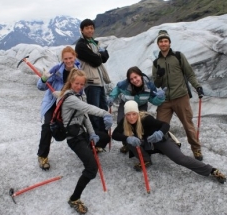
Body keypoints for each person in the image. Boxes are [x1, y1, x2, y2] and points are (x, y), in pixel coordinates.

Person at [112, 101, 226, 184]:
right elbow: (115, 135)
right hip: (144, 143)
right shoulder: (124, 122)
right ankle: (146, 160)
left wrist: (160, 133)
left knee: (180, 159)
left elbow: (165, 125)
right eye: (128, 114)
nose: (131, 117)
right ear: (125, 115)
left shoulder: (146, 119)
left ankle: (211, 170)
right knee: (130, 142)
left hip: (159, 141)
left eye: (134, 114)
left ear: (137, 113)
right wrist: (127, 138)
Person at [58, 68, 113, 214]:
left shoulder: (79, 95)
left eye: (82, 84)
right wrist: (105, 113)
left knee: (105, 137)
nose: (79, 87)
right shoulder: (70, 98)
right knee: (91, 169)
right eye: (77, 83)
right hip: (74, 138)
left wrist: (93, 133)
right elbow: (87, 108)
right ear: (71, 82)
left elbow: (84, 116)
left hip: (81, 134)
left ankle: (91, 148)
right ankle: (74, 198)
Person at [152, 30, 205, 161]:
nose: (163, 43)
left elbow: (190, 73)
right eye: (161, 41)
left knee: (188, 125)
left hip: (181, 96)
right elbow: (156, 83)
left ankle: (196, 149)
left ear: (169, 42)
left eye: (165, 41)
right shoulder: (156, 62)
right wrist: (159, 75)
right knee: (160, 125)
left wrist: (197, 86)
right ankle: (165, 147)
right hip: (165, 100)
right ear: (158, 44)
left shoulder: (178, 56)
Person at [36, 46, 80, 170]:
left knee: (75, 126)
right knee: (48, 126)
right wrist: (44, 79)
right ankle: (42, 155)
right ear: (62, 59)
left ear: (74, 57)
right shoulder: (56, 70)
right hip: (53, 102)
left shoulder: (79, 70)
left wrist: (65, 94)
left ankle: (84, 150)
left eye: (70, 58)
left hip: (68, 103)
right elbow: (41, 87)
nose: (68, 61)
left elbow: (81, 89)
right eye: (65, 58)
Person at [107, 66, 166, 153]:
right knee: (122, 123)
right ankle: (127, 143)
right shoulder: (125, 84)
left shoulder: (149, 86)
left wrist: (160, 98)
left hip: (141, 105)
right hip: (126, 105)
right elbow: (117, 88)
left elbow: (154, 101)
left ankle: (141, 144)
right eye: (131, 79)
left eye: (136, 77)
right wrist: (112, 97)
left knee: (141, 124)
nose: (134, 80)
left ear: (140, 75)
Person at [75, 18, 111, 133]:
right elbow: (96, 61)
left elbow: (104, 58)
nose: (90, 30)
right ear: (82, 30)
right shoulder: (80, 45)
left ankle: (103, 137)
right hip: (90, 82)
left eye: (91, 28)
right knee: (94, 111)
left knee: (103, 109)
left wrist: (100, 55)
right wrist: (100, 54)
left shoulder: (94, 43)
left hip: (99, 82)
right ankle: (94, 138)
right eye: (87, 28)